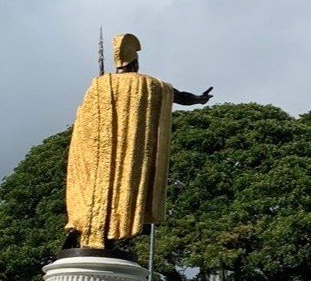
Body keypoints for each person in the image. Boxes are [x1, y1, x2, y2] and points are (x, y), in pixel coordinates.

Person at [64, 33, 212, 249]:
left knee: (95, 190)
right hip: (129, 158)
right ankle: (109, 232)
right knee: (123, 192)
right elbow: (180, 97)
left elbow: (84, 124)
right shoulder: (150, 84)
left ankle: (89, 229)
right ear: (135, 62)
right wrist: (200, 99)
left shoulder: (99, 85)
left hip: (98, 158)